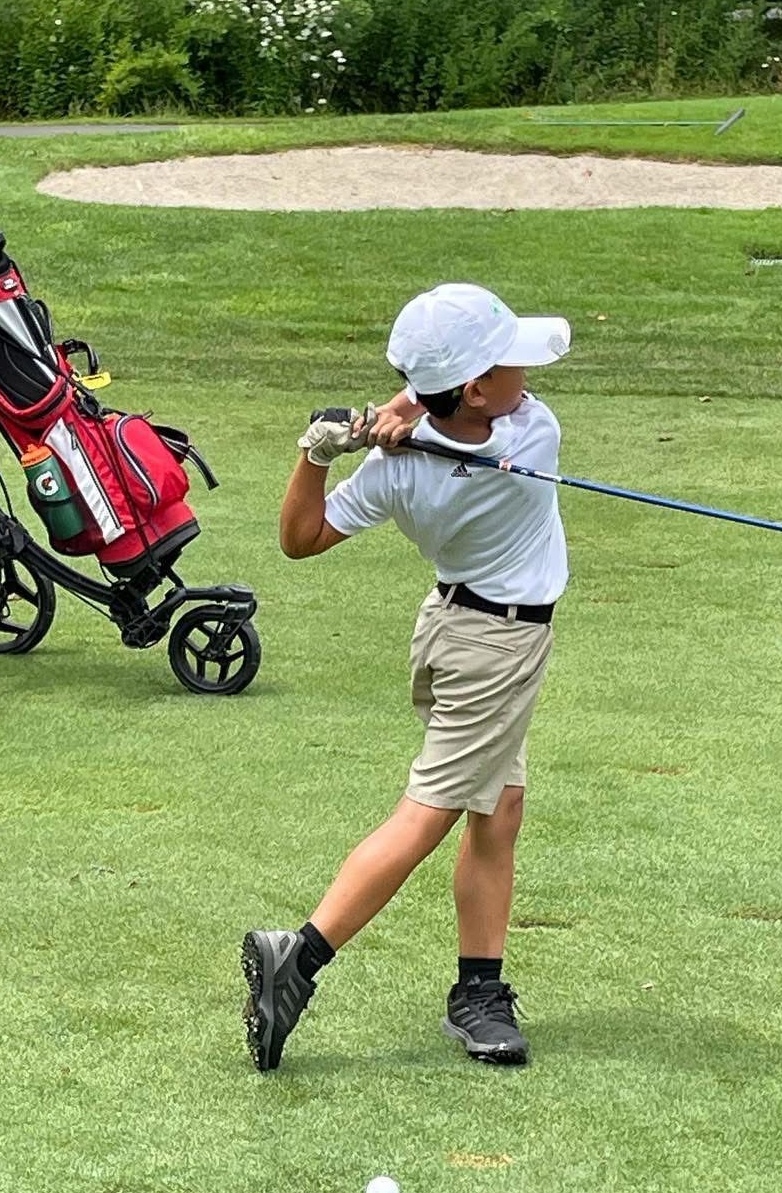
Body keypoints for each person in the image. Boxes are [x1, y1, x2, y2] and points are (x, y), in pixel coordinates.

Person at [242, 282, 571, 1072]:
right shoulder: (532, 435)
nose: (526, 371)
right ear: (475, 389)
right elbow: (444, 407)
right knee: (428, 816)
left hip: (452, 631)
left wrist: (320, 452)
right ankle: (300, 959)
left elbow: (302, 537)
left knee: (500, 810)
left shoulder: (396, 470)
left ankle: (479, 992)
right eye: (507, 361)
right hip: (496, 651)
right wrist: (406, 412)